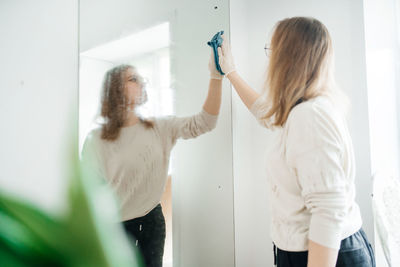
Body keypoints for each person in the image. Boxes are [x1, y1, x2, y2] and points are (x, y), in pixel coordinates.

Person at [217, 17, 375, 267]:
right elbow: (267, 113)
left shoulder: (309, 116)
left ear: (288, 58)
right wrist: (231, 72)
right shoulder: (306, 110)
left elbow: (328, 212)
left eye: (272, 50)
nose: (269, 61)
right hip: (320, 250)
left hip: (323, 254)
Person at [81, 51, 223, 267]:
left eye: (141, 78)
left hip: (151, 222)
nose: (142, 82)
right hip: (114, 229)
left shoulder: (161, 127)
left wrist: (216, 77)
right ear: (115, 90)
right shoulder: (96, 140)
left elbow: (206, 122)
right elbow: (89, 191)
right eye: (132, 79)